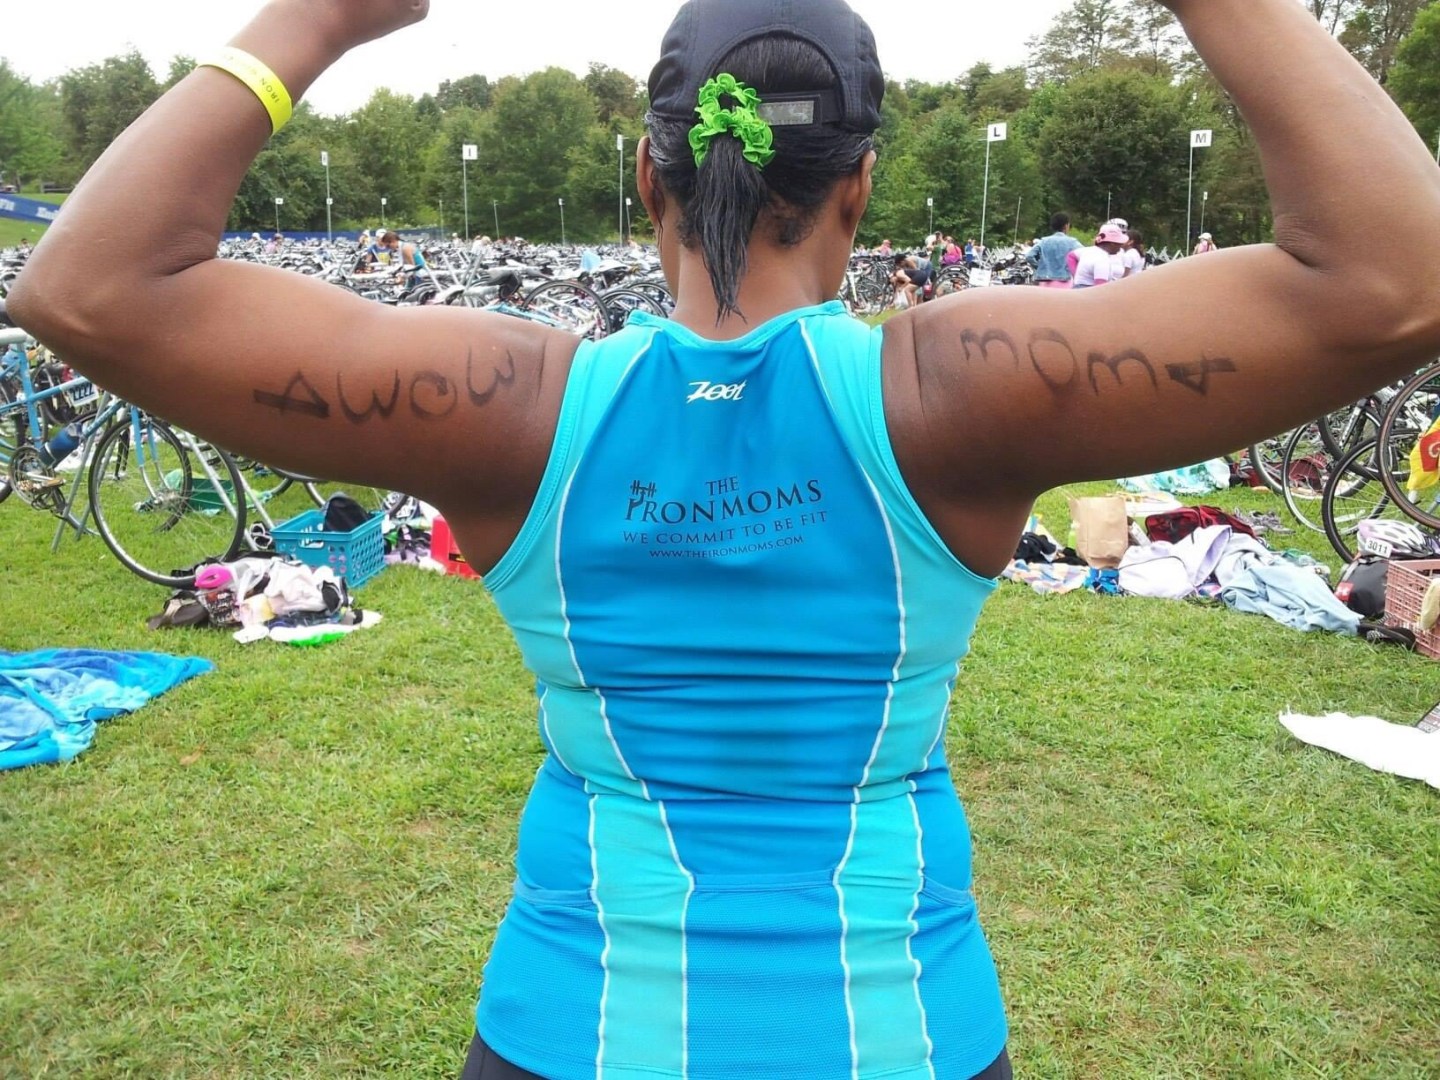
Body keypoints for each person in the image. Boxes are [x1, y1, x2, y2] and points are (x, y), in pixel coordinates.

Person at [9, 0, 1440, 1077]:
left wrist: (316, 18)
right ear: (862, 186)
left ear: (648, 179)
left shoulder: (509, 407)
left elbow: (91, 286)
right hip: (901, 1029)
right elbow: (1396, 273)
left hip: (573, 1025)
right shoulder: (955, 391)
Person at [1026, 212, 1083, 289]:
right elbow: (1085, 255)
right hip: (1065, 280)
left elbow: (1029, 256)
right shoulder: (1072, 242)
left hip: (1045, 280)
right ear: (1066, 226)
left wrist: (1040, 267)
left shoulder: (1043, 241)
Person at [1071, 222, 1131, 289]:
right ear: (1112, 244)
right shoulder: (1102, 260)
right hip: (1090, 294)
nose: (1120, 247)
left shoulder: (1089, 251)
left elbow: (1071, 256)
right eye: (1119, 244)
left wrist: (1076, 275)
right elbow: (1100, 289)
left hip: (1078, 290)